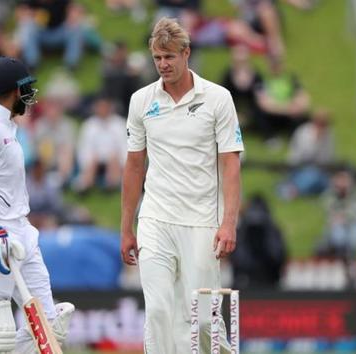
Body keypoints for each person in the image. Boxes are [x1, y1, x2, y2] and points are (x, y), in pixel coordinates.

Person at [120, 18, 244, 354]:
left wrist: (228, 221)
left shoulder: (217, 98)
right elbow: (134, 165)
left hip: (202, 220)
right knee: (158, 311)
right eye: (157, 58)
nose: (163, 65)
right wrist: (127, 227)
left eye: (169, 57)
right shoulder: (142, 101)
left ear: (186, 53)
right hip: (156, 218)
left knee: (203, 320)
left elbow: (231, 163)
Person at [0, 56, 74, 354]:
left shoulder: (6, 127)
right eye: (24, 88)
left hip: (21, 230)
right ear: (12, 91)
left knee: (49, 326)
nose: (28, 95)